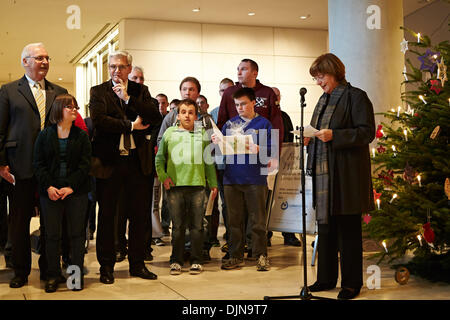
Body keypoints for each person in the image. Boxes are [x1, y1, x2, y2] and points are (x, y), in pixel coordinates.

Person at [305, 53, 375, 300]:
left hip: (347, 176)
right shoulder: (322, 101)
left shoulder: (356, 97)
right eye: (315, 78)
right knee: (325, 230)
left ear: (334, 72)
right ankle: (325, 279)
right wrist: (309, 138)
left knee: (348, 232)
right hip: (325, 177)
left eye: (320, 76)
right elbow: (319, 132)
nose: (318, 82)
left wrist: (335, 135)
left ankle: (351, 284)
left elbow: (367, 133)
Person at [89, 50, 162, 284]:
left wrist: (130, 99)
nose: (116, 71)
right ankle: (107, 266)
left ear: (129, 69)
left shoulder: (141, 91)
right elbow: (100, 121)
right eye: (112, 66)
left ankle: (137, 264)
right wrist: (131, 125)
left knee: (139, 216)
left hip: (136, 164)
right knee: (108, 217)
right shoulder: (98, 91)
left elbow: (154, 117)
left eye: (120, 67)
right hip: (109, 164)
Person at [0, 43, 68, 288]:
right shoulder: (8, 91)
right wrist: (1, 165)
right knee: (19, 224)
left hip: (52, 171)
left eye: (47, 58)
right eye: (39, 58)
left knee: (52, 225)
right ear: (25, 61)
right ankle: (20, 271)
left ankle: (51, 271)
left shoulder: (59, 91)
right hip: (19, 169)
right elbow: (0, 129)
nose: (45, 62)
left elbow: (66, 130)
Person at [33, 94, 91, 292]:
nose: (74, 110)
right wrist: (49, 186)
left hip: (76, 192)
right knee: (51, 236)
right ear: (59, 110)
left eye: (75, 107)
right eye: (69, 107)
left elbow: (85, 166)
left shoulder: (81, 136)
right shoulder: (45, 135)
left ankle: (75, 277)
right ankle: (52, 275)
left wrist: (71, 187)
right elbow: (38, 164)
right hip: (51, 192)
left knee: (76, 235)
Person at [216, 87, 276, 272]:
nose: (240, 108)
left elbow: (272, 153)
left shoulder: (264, 123)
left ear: (253, 102)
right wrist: (216, 142)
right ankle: (235, 255)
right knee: (234, 221)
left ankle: (260, 256)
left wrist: (259, 149)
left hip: (255, 178)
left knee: (257, 221)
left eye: (243, 104)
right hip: (231, 178)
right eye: (237, 105)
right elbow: (220, 153)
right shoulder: (229, 125)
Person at [155, 99, 217, 275]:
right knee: (178, 227)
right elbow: (159, 158)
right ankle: (176, 260)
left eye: (191, 112)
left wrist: (212, 183)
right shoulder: (169, 133)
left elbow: (208, 161)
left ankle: (197, 260)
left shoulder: (202, 134)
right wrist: (164, 177)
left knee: (197, 226)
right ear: (178, 114)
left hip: (197, 186)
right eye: (183, 112)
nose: (187, 115)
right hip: (175, 187)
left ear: (196, 116)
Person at [267, 87, 302, 247]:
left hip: (285, 165)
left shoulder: (284, 116)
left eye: (277, 96)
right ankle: (265, 234)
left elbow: (290, 138)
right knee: (266, 200)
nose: (275, 98)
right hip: (267, 165)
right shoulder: (263, 116)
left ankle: (289, 234)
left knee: (285, 198)